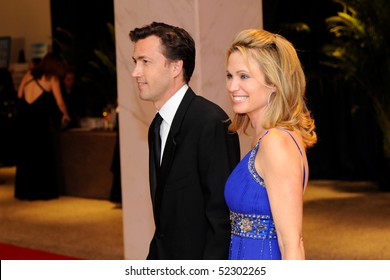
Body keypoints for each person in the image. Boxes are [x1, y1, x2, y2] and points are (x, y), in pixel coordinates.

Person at [129, 22, 241, 260]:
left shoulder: (210, 122)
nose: (135, 72)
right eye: (135, 62)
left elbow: (222, 216)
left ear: (175, 67)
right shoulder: (157, 125)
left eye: (145, 62)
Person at [224, 29, 317, 260]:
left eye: (244, 76)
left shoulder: (275, 142)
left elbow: (292, 244)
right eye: (229, 76)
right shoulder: (267, 137)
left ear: (274, 83)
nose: (232, 86)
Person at [14, 52, 70, 200]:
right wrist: (65, 114)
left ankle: (25, 192)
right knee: (41, 155)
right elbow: (60, 102)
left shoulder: (29, 73)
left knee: (26, 155)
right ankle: (41, 191)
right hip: (39, 122)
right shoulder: (52, 78)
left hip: (25, 120)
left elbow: (19, 95)